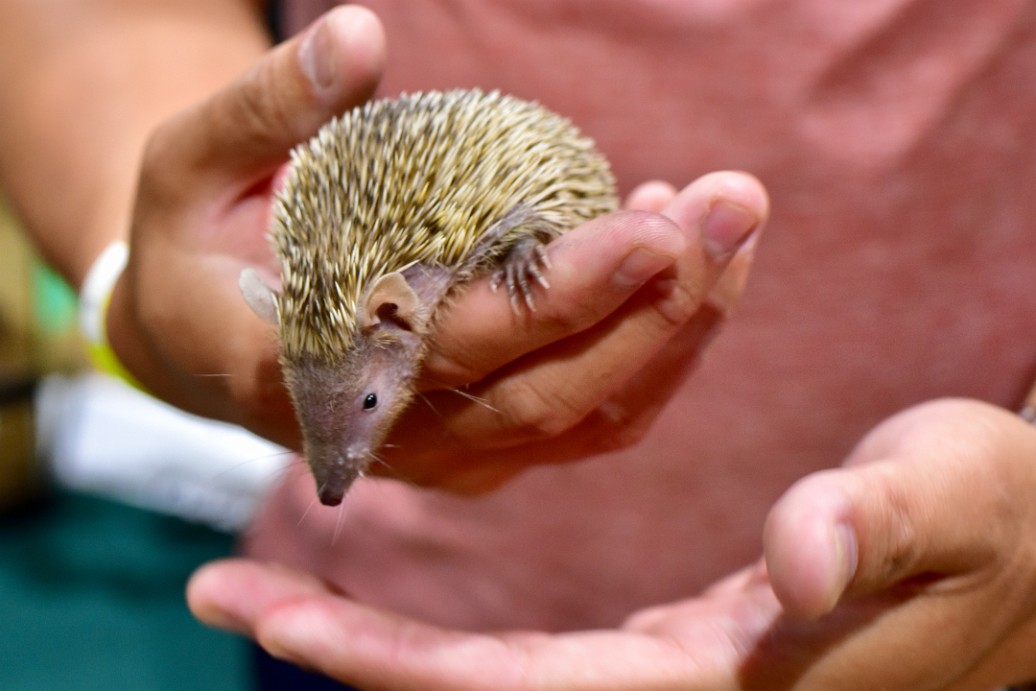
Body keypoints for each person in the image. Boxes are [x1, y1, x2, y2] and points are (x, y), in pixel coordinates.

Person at [4, 1, 1036, 689]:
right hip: (364, 610)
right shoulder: (342, 305)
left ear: (395, 321)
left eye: (356, 416)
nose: (338, 472)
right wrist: (127, 278)